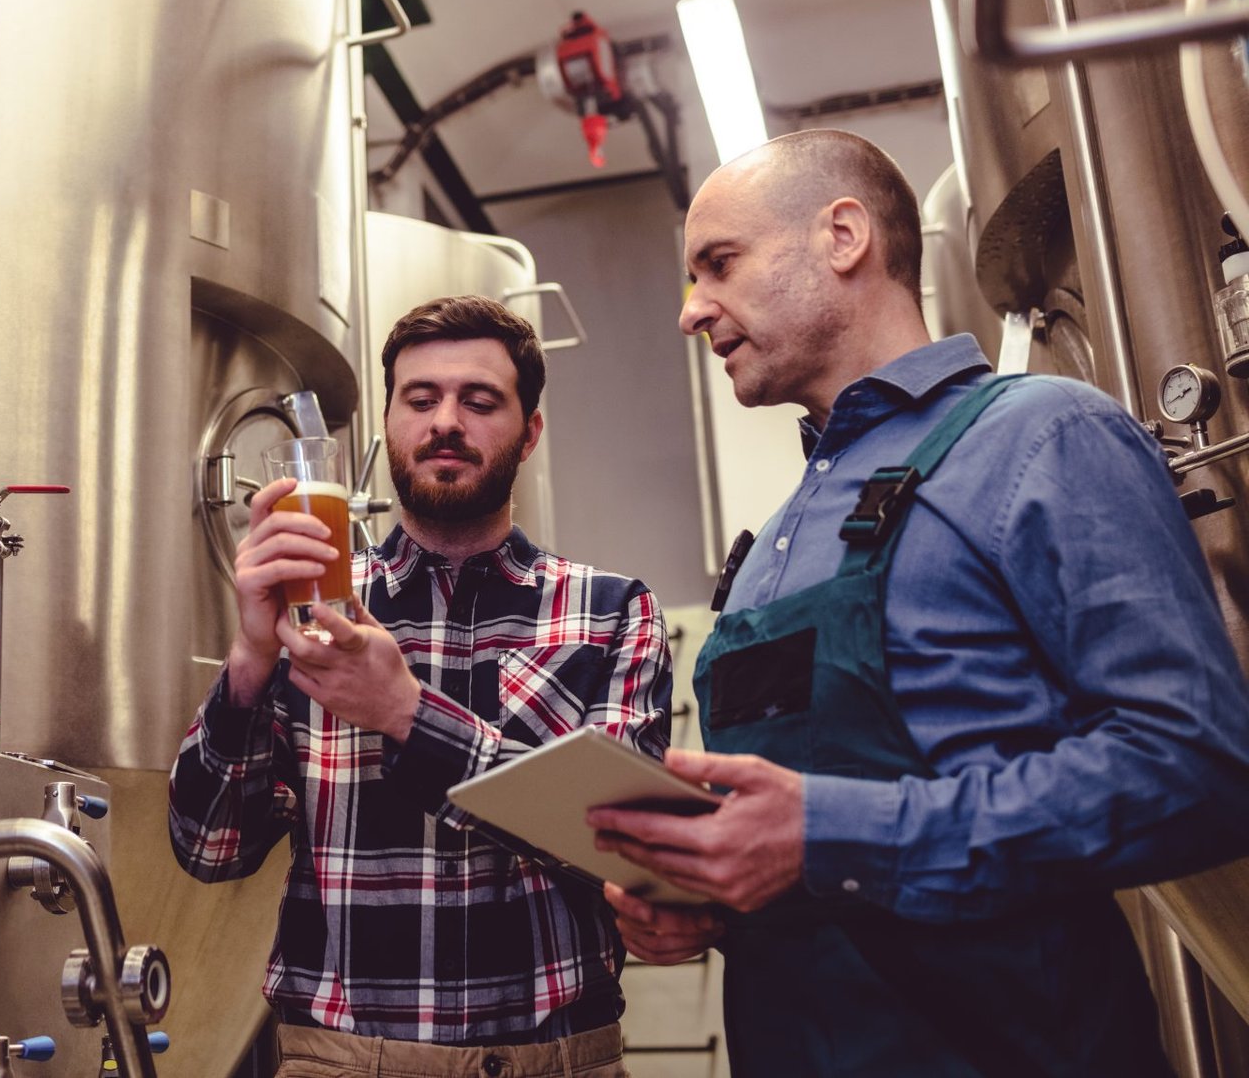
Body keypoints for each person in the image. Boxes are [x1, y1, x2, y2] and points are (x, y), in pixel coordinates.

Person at [590, 129, 1249, 1076]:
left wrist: (832, 833)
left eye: (718, 265)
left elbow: (1197, 767)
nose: (692, 312)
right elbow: (804, 847)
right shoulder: (771, 539)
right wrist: (719, 902)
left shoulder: (1041, 435)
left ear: (844, 235)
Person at [170, 296, 669, 1077]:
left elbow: (626, 846)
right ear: (389, 425)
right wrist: (247, 657)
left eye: (480, 400)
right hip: (340, 1058)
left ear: (530, 432)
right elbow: (208, 847)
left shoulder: (610, 612)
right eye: (421, 398)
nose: (447, 421)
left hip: (557, 1058)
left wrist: (405, 712)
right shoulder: (311, 614)